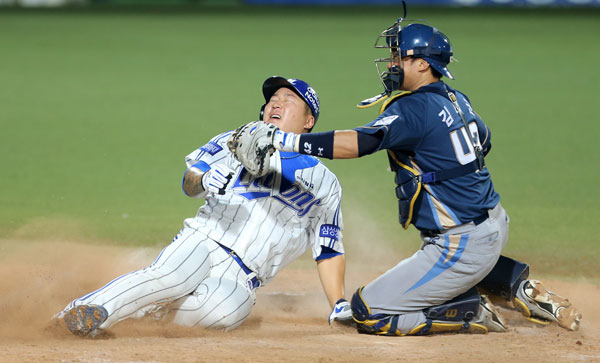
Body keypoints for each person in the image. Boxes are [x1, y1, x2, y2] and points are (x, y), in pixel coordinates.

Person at [230, 20, 582, 335]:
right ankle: (511, 284)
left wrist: (287, 140)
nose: (392, 63)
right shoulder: (456, 99)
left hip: (460, 245)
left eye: (399, 57)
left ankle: (467, 311)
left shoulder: (413, 108)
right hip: (493, 222)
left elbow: (361, 142)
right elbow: (483, 141)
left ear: (423, 64)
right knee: (452, 237)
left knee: (368, 313)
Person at [55, 76, 353, 337]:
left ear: (308, 121)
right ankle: (79, 313)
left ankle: (145, 311)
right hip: (205, 240)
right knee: (175, 276)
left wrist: (338, 303)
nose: (275, 104)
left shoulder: (325, 182)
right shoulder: (233, 141)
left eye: (288, 100)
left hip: (243, 277)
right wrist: (205, 179)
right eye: (272, 99)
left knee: (221, 312)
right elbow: (189, 181)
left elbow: (328, 248)